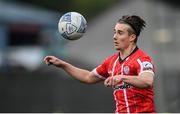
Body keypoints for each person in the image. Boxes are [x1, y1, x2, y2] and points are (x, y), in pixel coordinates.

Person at [44, 15, 156, 113]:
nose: (114, 37)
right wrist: (62, 64)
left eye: (120, 33)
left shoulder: (142, 59)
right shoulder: (111, 62)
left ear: (132, 37)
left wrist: (121, 78)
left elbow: (147, 80)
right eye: (115, 32)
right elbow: (88, 77)